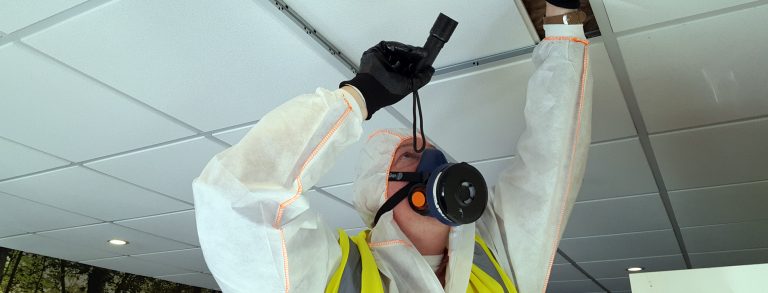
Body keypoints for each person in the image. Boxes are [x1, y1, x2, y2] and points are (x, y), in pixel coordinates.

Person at [193, 0, 592, 292]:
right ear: (376, 200)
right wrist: (358, 97)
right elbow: (234, 200)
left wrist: (563, 19)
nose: (434, 170)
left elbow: (550, 163)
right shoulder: (326, 276)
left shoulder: (492, 259)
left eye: (436, 161)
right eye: (410, 160)